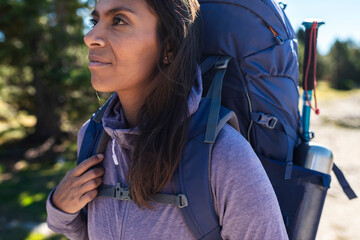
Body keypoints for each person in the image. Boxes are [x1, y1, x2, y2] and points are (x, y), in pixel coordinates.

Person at [46, 0, 289, 239]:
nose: (90, 36)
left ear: (168, 47)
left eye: (118, 20)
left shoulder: (224, 157)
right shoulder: (93, 137)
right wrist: (60, 208)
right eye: (94, 20)